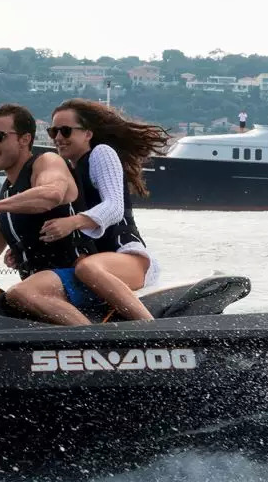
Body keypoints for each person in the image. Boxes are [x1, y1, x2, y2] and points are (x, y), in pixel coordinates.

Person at [32, 98, 170, 322]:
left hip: (128, 257)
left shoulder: (101, 153)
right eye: (53, 131)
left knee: (85, 268)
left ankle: (152, 329)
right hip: (94, 263)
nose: (58, 138)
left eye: (65, 131)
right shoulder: (67, 170)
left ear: (87, 134)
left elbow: (114, 207)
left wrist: (73, 222)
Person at [0, 103, 95, 326]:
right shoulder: (6, 196)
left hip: (79, 279)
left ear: (24, 139)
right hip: (42, 288)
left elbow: (51, 194)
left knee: (20, 293)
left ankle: (94, 341)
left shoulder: (47, 162)